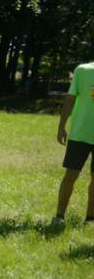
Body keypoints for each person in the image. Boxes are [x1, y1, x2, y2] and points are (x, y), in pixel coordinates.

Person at [55, 61, 94, 224]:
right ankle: (59, 216)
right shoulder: (83, 70)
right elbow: (70, 99)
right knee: (71, 173)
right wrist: (61, 127)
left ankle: (90, 218)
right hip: (80, 133)